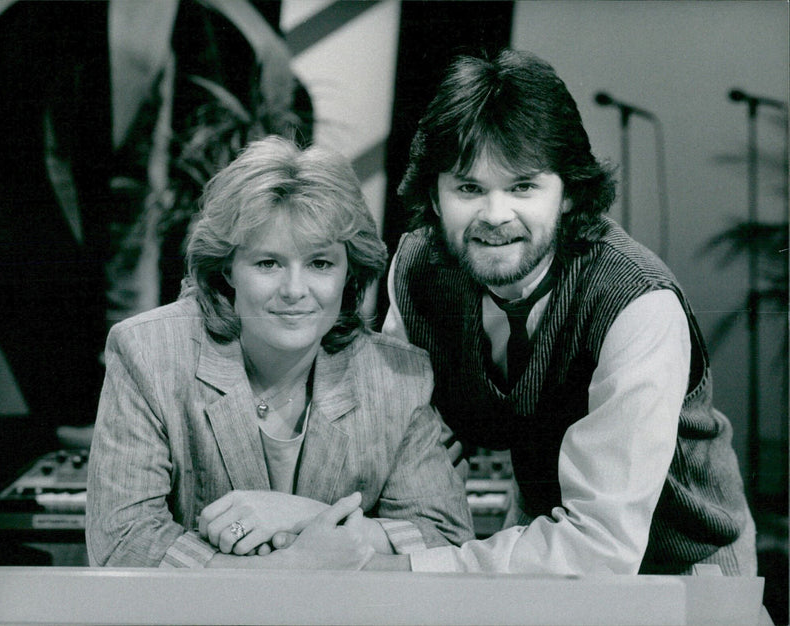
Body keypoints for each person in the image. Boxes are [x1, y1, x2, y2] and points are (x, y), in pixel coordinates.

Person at [369, 48, 756, 576]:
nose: (495, 215)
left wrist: (408, 568)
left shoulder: (637, 301)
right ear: (435, 198)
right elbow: (401, 447)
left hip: (688, 557)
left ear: (569, 192)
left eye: (523, 185)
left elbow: (602, 546)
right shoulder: (417, 269)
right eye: (468, 187)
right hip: (548, 533)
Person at [85, 135, 474, 568]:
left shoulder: (395, 377)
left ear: (350, 272)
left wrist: (305, 515)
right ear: (227, 268)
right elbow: (123, 542)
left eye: (320, 264)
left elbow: (447, 540)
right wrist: (285, 568)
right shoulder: (149, 353)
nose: (294, 291)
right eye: (268, 263)